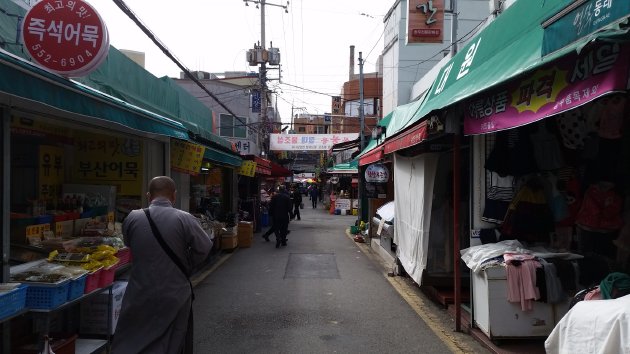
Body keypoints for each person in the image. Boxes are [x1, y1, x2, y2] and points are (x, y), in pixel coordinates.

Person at [112, 176, 213, 354]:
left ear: (148, 196)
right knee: (174, 338)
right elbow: (204, 247)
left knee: (135, 335)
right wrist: (187, 264)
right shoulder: (185, 218)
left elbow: (129, 244)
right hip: (175, 291)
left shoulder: (132, 218)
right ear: (174, 196)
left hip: (140, 290)